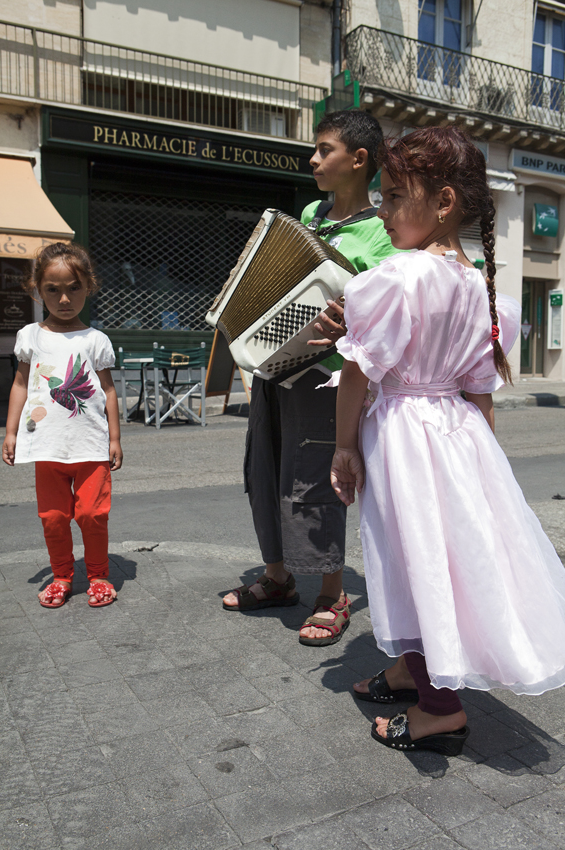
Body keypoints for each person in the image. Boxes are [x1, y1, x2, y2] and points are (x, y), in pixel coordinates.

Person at [330, 126, 565, 754]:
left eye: (392, 196)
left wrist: (344, 446)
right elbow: (480, 390)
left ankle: (440, 709)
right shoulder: (481, 289)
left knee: (414, 559)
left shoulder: (397, 277)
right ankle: (413, 666)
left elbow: (358, 373)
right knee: (437, 554)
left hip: (406, 434)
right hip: (457, 437)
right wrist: (480, 464)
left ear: (443, 202)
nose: (381, 210)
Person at [222, 110, 398, 645]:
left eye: (325, 150)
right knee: (266, 468)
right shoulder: (310, 213)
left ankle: (331, 594)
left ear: (359, 160)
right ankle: (277, 578)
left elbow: (385, 312)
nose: (313, 159)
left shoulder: (384, 233)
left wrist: (350, 316)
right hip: (278, 367)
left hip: (328, 377)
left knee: (316, 476)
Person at [2, 242, 123, 609]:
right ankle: (61, 576)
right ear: (38, 289)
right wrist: (10, 432)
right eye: (52, 289)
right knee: (54, 519)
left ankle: (99, 574)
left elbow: (108, 390)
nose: (64, 298)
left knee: (91, 514)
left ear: (89, 287)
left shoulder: (95, 340)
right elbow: (21, 384)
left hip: (90, 447)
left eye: (73, 287)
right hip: (47, 448)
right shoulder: (30, 336)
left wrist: (115, 437)